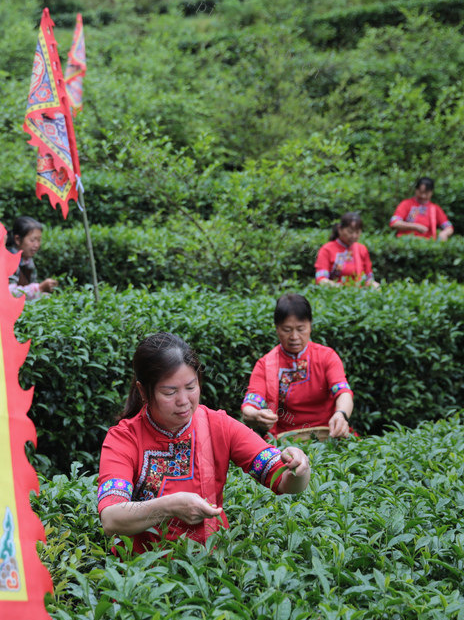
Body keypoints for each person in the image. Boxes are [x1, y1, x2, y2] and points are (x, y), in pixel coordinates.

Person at [97, 333, 310, 551]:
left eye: (191, 387)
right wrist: (169, 506)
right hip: (144, 576)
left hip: (210, 569)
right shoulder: (124, 438)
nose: (183, 401)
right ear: (143, 391)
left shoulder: (218, 425)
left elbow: (282, 480)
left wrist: (299, 470)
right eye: (169, 392)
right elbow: (111, 518)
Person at [241, 293, 354, 440]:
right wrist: (256, 415)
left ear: (310, 326)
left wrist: (341, 414)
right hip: (285, 441)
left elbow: (343, 391)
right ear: (277, 329)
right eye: (287, 330)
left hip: (329, 434)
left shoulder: (326, 356)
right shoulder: (265, 365)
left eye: (301, 329)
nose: (294, 337)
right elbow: (250, 404)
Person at [314, 212, 378, 288]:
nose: (354, 236)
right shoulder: (327, 249)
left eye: (357, 232)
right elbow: (321, 279)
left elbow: (369, 278)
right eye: (350, 232)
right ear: (340, 230)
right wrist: (341, 288)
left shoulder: (362, 249)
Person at [6, 216, 57, 301]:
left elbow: (30, 288)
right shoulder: (9, 260)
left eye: (39, 240)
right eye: (32, 240)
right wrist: (39, 288)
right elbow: (10, 292)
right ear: (17, 239)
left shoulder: (28, 261)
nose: (36, 245)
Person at [389, 177, 453, 241]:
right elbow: (394, 222)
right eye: (420, 192)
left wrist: (445, 233)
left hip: (427, 244)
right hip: (406, 242)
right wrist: (415, 227)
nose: (423, 196)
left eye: (426, 193)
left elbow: (449, 227)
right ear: (416, 190)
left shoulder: (435, 209)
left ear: (431, 192)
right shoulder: (406, 204)